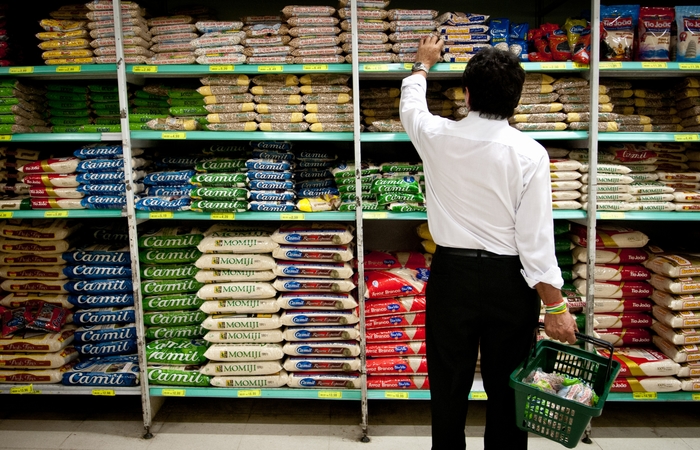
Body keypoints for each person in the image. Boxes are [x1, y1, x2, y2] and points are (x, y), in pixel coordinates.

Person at [399, 36, 579, 450]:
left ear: (466, 94)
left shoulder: (437, 136)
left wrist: (422, 65)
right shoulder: (530, 153)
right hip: (509, 283)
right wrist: (555, 305)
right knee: (509, 388)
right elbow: (535, 239)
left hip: (452, 276)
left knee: (448, 386)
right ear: (516, 100)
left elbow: (411, 107)